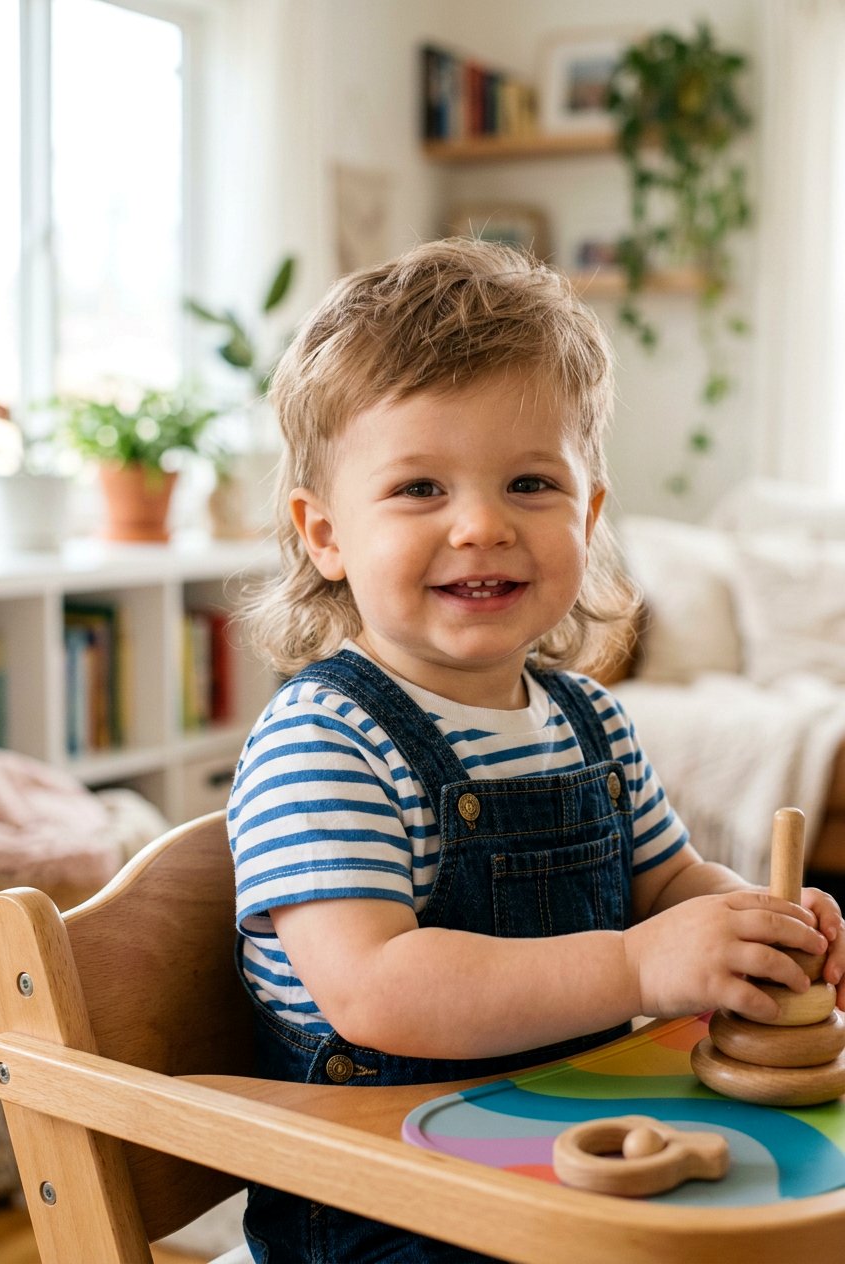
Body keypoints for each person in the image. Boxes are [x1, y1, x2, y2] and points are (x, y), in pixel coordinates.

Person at [228, 237, 845, 1263]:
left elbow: (667, 884)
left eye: (528, 482)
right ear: (323, 533)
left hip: (577, 1159)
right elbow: (375, 987)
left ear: (588, 512)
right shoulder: (322, 740)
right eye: (420, 488)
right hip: (394, 1204)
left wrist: (748, 926)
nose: (479, 525)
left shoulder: (588, 718)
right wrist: (638, 967)